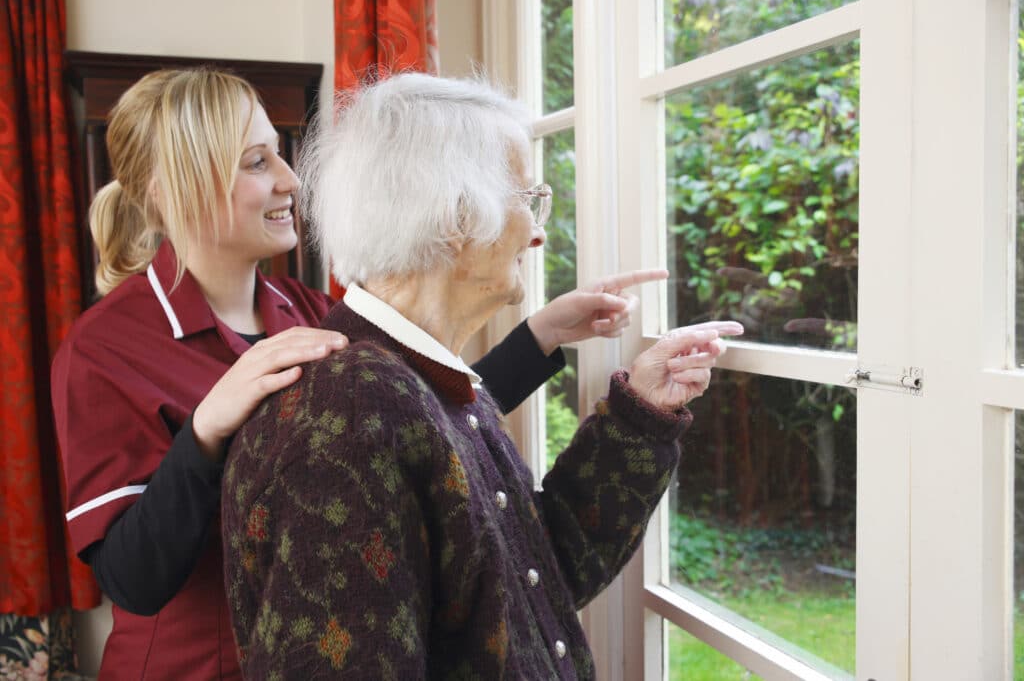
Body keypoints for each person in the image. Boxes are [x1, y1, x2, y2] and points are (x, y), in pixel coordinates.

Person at [51, 68, 660, 680]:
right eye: (257, 162)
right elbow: (131, 578)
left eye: (281, 156)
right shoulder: (105, 350)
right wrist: (205, 432)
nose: (291, 179)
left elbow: (415, 429)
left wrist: (542, 334)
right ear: (171, 190)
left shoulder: (307, 310)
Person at [221, 73, 743, 680]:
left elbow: (524, 585)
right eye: (528, 200)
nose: (539, 232)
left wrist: (643, 412)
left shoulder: (419, 381)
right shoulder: (352, 412)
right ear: (456, 218)